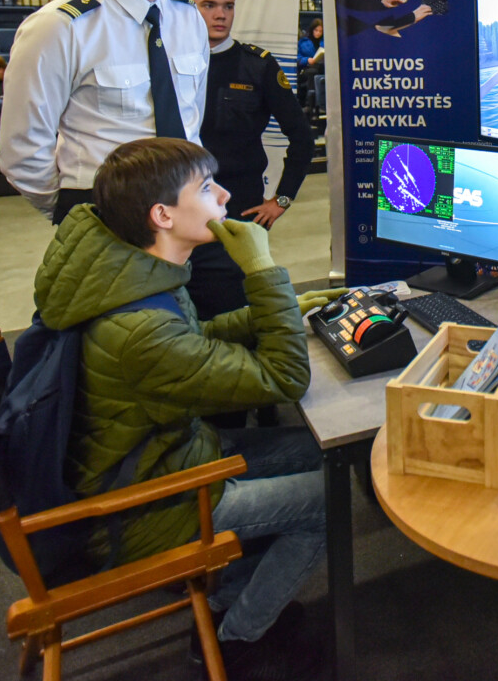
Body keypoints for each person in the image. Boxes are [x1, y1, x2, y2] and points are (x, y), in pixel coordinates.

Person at [43, 138, 327, 678]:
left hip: (166, 457)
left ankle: (225, 607)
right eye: (206, 188)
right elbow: (285, 378)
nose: (225, 196)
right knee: (328, 500)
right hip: (144, 505)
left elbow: (194, 341)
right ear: (163, 215)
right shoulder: (140, 329)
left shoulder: (133, 273)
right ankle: (238, 642)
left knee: (314, 452)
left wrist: (275, 312)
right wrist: (263, 272)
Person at [0, 0, 210, 223]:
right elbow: (22, 148)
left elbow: (192, 117)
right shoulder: (60, 27)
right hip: (105, 210)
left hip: (189, 203)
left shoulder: (189, 19)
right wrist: (77, 212)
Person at [183, 0, 314, 317]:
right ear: (186, 7)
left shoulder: (257, 66)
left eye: (228, 6)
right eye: (208, 5)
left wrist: (282, 198)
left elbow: (302, 137)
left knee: (230, 310)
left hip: (237, 206)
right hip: (175, 203)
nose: (220, 14)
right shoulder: (166, 61)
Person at [297, 17, 324, 110]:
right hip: (307, 68)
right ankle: (310, 104)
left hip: (321, 67)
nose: (318, 33)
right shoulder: (303, 42)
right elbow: (297, 58)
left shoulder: (324, 42)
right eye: (316, 30)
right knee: (312, 73)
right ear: (312, 30)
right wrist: (307, 60)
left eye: (320, 31)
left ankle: (317, 104)